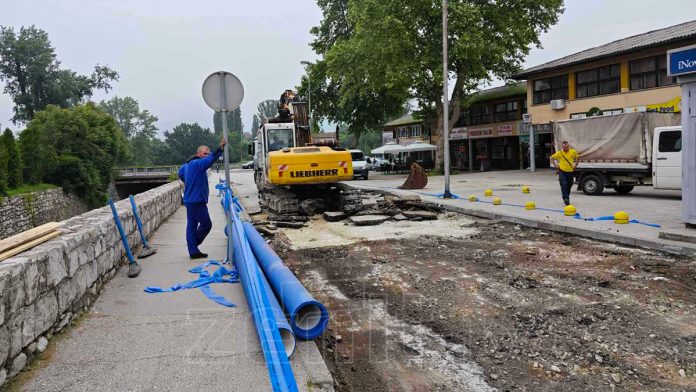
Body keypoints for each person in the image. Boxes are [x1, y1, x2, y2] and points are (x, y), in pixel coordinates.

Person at [178, 137, 226, 259]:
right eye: (204, 153)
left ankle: (193, 251)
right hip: (196, 201)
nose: (206, 155)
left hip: (190, 200)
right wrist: (220, 149)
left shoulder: (188, 165)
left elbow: (180, 173)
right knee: (206, 224)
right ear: (198, 154)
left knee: (192, 225)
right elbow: (211, 159)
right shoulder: (198, 164)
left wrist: (189, 182)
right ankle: (193, 245)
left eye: (208, 153)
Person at [550, 140, 579, 206]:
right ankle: (566, 198)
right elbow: (551, 157)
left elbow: (577, 156)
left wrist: (576, 164)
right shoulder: (560, 153)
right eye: (564, 147)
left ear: (568, 146)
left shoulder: (572, 151)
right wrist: (556, 165)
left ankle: (566, 196)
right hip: (562, 171)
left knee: (570, 185)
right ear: (562, 147)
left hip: (570, 171)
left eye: (567, 147)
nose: (565, 148)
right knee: (564, 184)